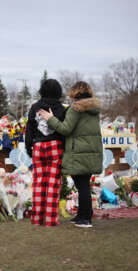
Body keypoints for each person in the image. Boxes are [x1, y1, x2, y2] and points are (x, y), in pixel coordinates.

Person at [39, 81, 103, 228]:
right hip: (90, 150)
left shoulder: (76, 108)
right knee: (83, 184)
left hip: (78, 151)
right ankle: (82, 215)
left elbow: (65, 129)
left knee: (82, 185)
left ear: (75, 92)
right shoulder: (93, 109)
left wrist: (50, 119)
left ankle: (86, 219)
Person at [25, 79, 67, 226]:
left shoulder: (35, 107)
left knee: (38, 182)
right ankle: (50, 220)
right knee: (52, 183)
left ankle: (37, 219)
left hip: (37, 146)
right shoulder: (61, 108)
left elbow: (29, 127)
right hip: (55, 145)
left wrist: (28, 146)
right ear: (58, 91)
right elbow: (63, 130)